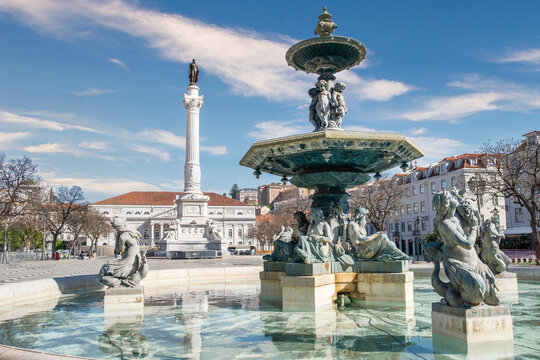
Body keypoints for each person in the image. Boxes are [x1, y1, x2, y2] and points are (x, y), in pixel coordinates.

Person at [429, 191, 499, 306]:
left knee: (490, 298)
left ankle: (455, 294)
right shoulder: (445, 224)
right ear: (447, 204)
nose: (455, 198)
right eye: (451, 197)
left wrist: (475, 214)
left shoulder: (457, 218)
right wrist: (474, 227)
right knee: (476, 295)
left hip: (475, 262)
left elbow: (477, 219)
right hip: (457, 265)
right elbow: (467, 244)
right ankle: (453, 294)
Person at [98, 217, 148, 288]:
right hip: (136, 261)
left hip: (128, 263)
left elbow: (119, 249)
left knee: (103, 272)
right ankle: (126, 281)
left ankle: (120, 282)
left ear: (116, 227)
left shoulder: (123, 236)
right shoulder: (132, 232)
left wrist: (118, 239)